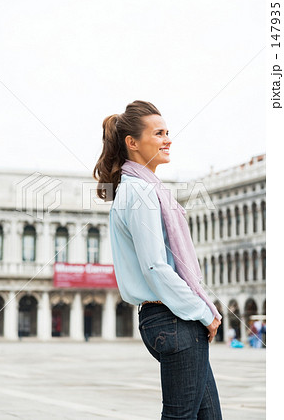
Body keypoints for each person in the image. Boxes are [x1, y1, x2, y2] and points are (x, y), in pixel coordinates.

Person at [93, 100, 223, 419]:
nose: (167, 139)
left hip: (167, 318)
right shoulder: (141, 193)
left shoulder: (139, 189)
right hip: (174, 318)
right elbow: (154, 266)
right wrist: (202, 311)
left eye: (168, 132)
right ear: (132, 143)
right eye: (159, 133)